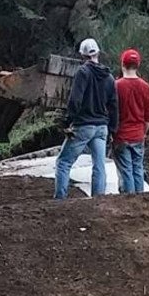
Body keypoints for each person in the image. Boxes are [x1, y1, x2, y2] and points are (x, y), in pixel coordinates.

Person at [54, 38, 118, 200]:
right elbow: (114, 105)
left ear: (82, 55)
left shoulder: (83, 73)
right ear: (98, 53)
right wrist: (112, 129)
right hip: (102, 127)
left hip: (84, 125)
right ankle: (97, 200)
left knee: (63, 162)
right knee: (99, 165)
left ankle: (59, 200)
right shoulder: (109, 77)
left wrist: (67, 121)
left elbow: (75, 100)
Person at [113, 48, 149, 195]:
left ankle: (129, 203)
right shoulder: (146, 87)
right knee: (138, 169)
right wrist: (142, 133)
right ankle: (140, 201)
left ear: (122, 64)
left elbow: (112, 113)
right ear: (138, 65)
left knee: (126, 171)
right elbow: (148, 117)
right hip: (138, 136)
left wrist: (112, 132)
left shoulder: (116, 86)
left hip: (121, 136)